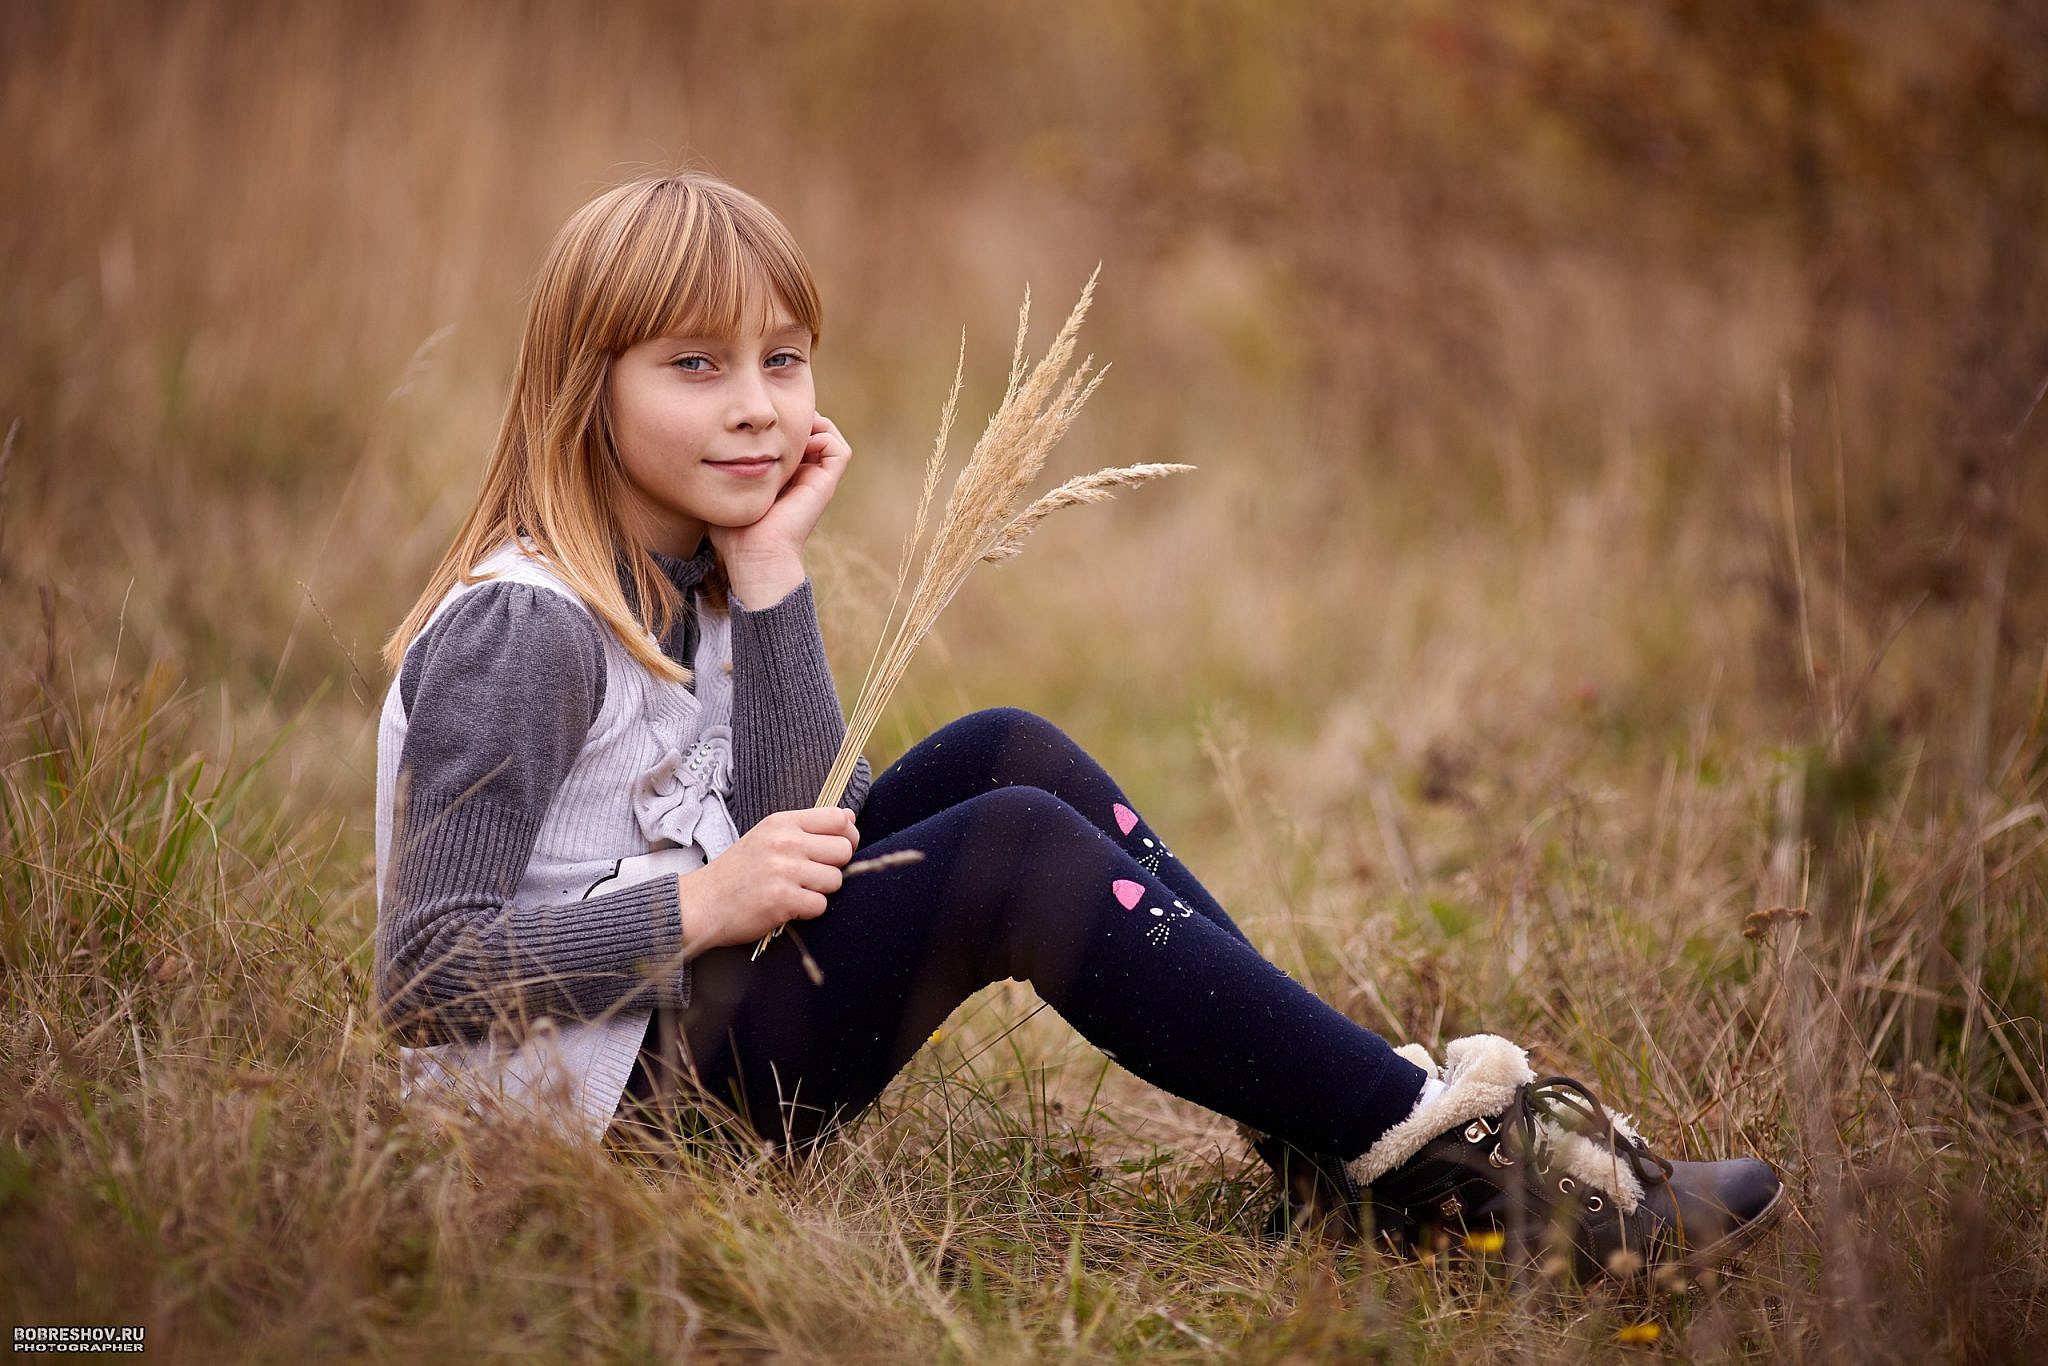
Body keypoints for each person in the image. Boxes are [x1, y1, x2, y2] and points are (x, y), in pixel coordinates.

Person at [371, 170, 1785, 1283]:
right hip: (582, 1133)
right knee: (1011, 855)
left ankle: (1344, 1133)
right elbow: (427, 968)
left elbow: (812, 824)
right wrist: (706, 901)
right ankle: (1450, 1163)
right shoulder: (527, 626)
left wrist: (772, 575)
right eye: (695, 366)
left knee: (1006, 753)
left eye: (784, 360)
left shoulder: (691, 567)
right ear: (586, 383)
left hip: (682, 1027)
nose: (757, 408)